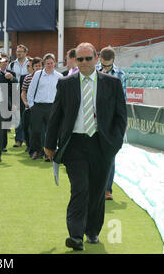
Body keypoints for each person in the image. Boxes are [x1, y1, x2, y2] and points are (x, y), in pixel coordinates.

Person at [44, 42, 127, 251]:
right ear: (75, 60)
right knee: (79, 189)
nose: (83, 63)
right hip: (74, 145)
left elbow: (121, 117)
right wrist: (49, 144)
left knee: (98, 190)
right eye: (79, 59)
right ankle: (75, 235)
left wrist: (114, 143)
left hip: (102, 144)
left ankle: (92, 231)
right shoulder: (66, 83)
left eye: (88, 58)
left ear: (96, 58)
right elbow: (56, 116)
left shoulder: (113, 83)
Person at [96, 46, 127, 201]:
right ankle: (94, 186)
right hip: (94, 119)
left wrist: (122, 124)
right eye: (103, 64)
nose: (105, 67)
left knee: (110, 156)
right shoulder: (93, 71)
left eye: (108, 65)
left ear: (113, 61)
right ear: (99, 59)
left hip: (111, 120)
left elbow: (123, 100)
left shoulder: (120, 74)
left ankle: (107, 189)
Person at [27, 53, 62, 161]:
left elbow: (61, 94)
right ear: (44, 64)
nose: (50, 65)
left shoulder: (59, 76)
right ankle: (38, 151)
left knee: (51, 132)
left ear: (54, 63)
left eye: (51, 63)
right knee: (36, 131)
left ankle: (49, 154)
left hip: (52, 107)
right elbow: (31, 91)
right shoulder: (38, 74)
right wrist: (32, 106)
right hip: (38, 106)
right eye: (47, 63)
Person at [8, 44, 30, 147]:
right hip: (15, 92)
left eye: (21, 51)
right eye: (17, 51)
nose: (18, 53)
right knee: (17, 116)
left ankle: (27, 138)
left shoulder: (30, 63)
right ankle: (18, 140)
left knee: (28, 117)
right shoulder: (11, 65)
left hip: (28, 93)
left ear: (25, 53)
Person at [20, 57, 43, 153]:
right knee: (28, 128)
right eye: (36, 66)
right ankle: (30, 146)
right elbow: (23, 92)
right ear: (33, 67)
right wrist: (26, 103)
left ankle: (41, 149)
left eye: (39, 66)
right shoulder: (28, 77)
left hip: (42, 107)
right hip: (30, 107)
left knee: (41, 129)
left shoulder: (45, 77)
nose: (38, 67)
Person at [0, 53, 17, 152]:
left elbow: (15, 87)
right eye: (2, 61)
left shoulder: (11, 73)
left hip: (7, 102)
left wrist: (11, 78)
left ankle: (3, 146)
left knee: (5, 125)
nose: (4, 63)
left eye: (6, 61)